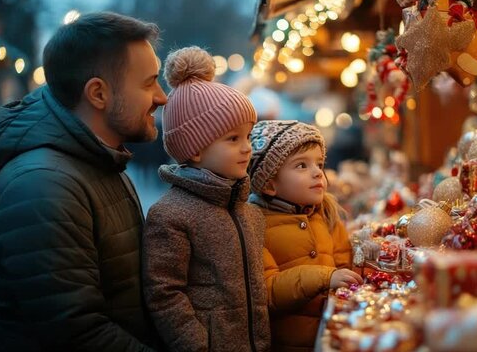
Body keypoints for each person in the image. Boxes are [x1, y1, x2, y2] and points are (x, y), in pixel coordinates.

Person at [0, 12, 167, 351]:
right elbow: (79, 334)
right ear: (98, 94)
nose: (162, 97)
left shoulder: (97, 161)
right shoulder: (41, 188)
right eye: (149, 83)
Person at [142, 46, 270, 352]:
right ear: (195, 149)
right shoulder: (171, 215)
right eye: (232, 139)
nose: (246, 148)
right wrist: (197, 344)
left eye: (248, 137)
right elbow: (164, 293)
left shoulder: (248, 210)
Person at [247, 120, 363, 351]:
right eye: (302, 166)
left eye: (319, 164)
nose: (317, 172)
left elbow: (344, 262)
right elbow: (267, 292)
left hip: (332, 334)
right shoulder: (254, 225)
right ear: (269, 184)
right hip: (290, 344)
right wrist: (324, 277)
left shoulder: (327, 213)